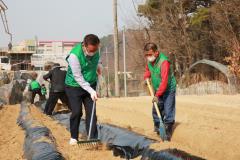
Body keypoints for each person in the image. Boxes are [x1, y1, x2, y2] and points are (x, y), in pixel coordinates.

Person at [65, 34, 100, 145]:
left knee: (92, 112)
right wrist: (91, 91)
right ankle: (74, 137)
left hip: (91, 83)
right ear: (84, 46)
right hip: (74, 86)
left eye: (95, 50)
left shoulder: (96, 50)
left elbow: (95, 61)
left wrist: (98, 66)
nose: (93, 53)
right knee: (77, 112)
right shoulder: (74, 56)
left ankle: (92, 137)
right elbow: (78, 77)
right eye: (90, 51)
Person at [143, 42, 176, 141]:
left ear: (156, 52)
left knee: (168, 110)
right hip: (158, 89)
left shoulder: (164, 62)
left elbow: (164, 81)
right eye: (146, 55)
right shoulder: (149, 61)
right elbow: (148, 70)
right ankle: (158, 128)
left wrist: (157, 95)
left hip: (168, 89)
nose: (148, 57)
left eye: (150, 54)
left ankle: (168, 131)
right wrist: (146, 76)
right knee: (156, 108)